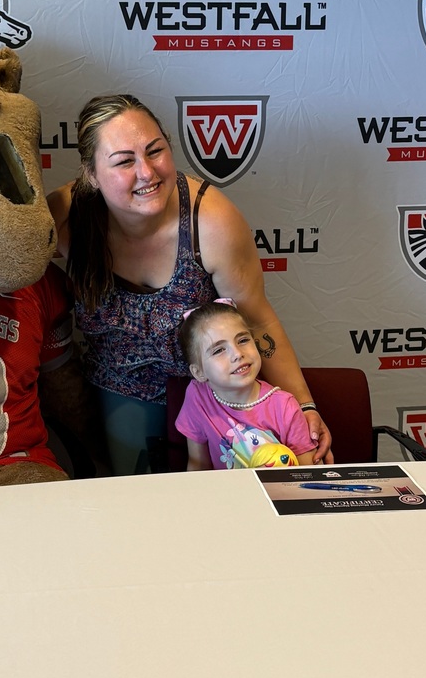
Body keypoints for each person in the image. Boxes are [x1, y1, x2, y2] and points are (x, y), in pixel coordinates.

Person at [46, 93, 331, 475]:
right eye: (124, 161)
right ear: (92, 175)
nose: (146, 172)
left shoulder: (212, 223)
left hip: (217, 400)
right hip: (115, 400)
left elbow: (257, 321)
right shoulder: (65, 219)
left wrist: (305, 405)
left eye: (155, 151)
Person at [175, 299, 316, 470]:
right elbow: (198, 465)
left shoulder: (285, 406)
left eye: (242, 340)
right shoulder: (197, 395)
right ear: (199, 372)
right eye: (219, 350)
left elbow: (308, 473)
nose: (237, 354)